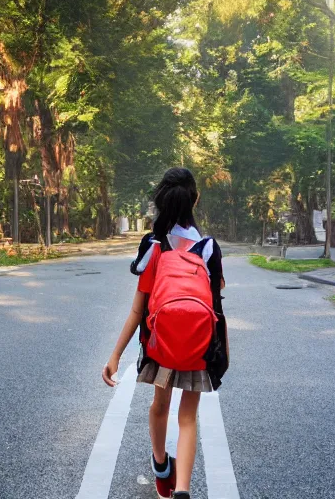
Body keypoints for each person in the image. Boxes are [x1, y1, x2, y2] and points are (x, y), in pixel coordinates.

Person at [101, 167, 228, 499]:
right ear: (195, 199)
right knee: (188, 417)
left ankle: (161, 471)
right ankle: (183, 488)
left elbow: (137, 310)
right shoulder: (208, 248)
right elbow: (216, 305)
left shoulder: (154, 246)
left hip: (160, 347)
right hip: (199, 346)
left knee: (160, 406)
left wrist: (115, 355)